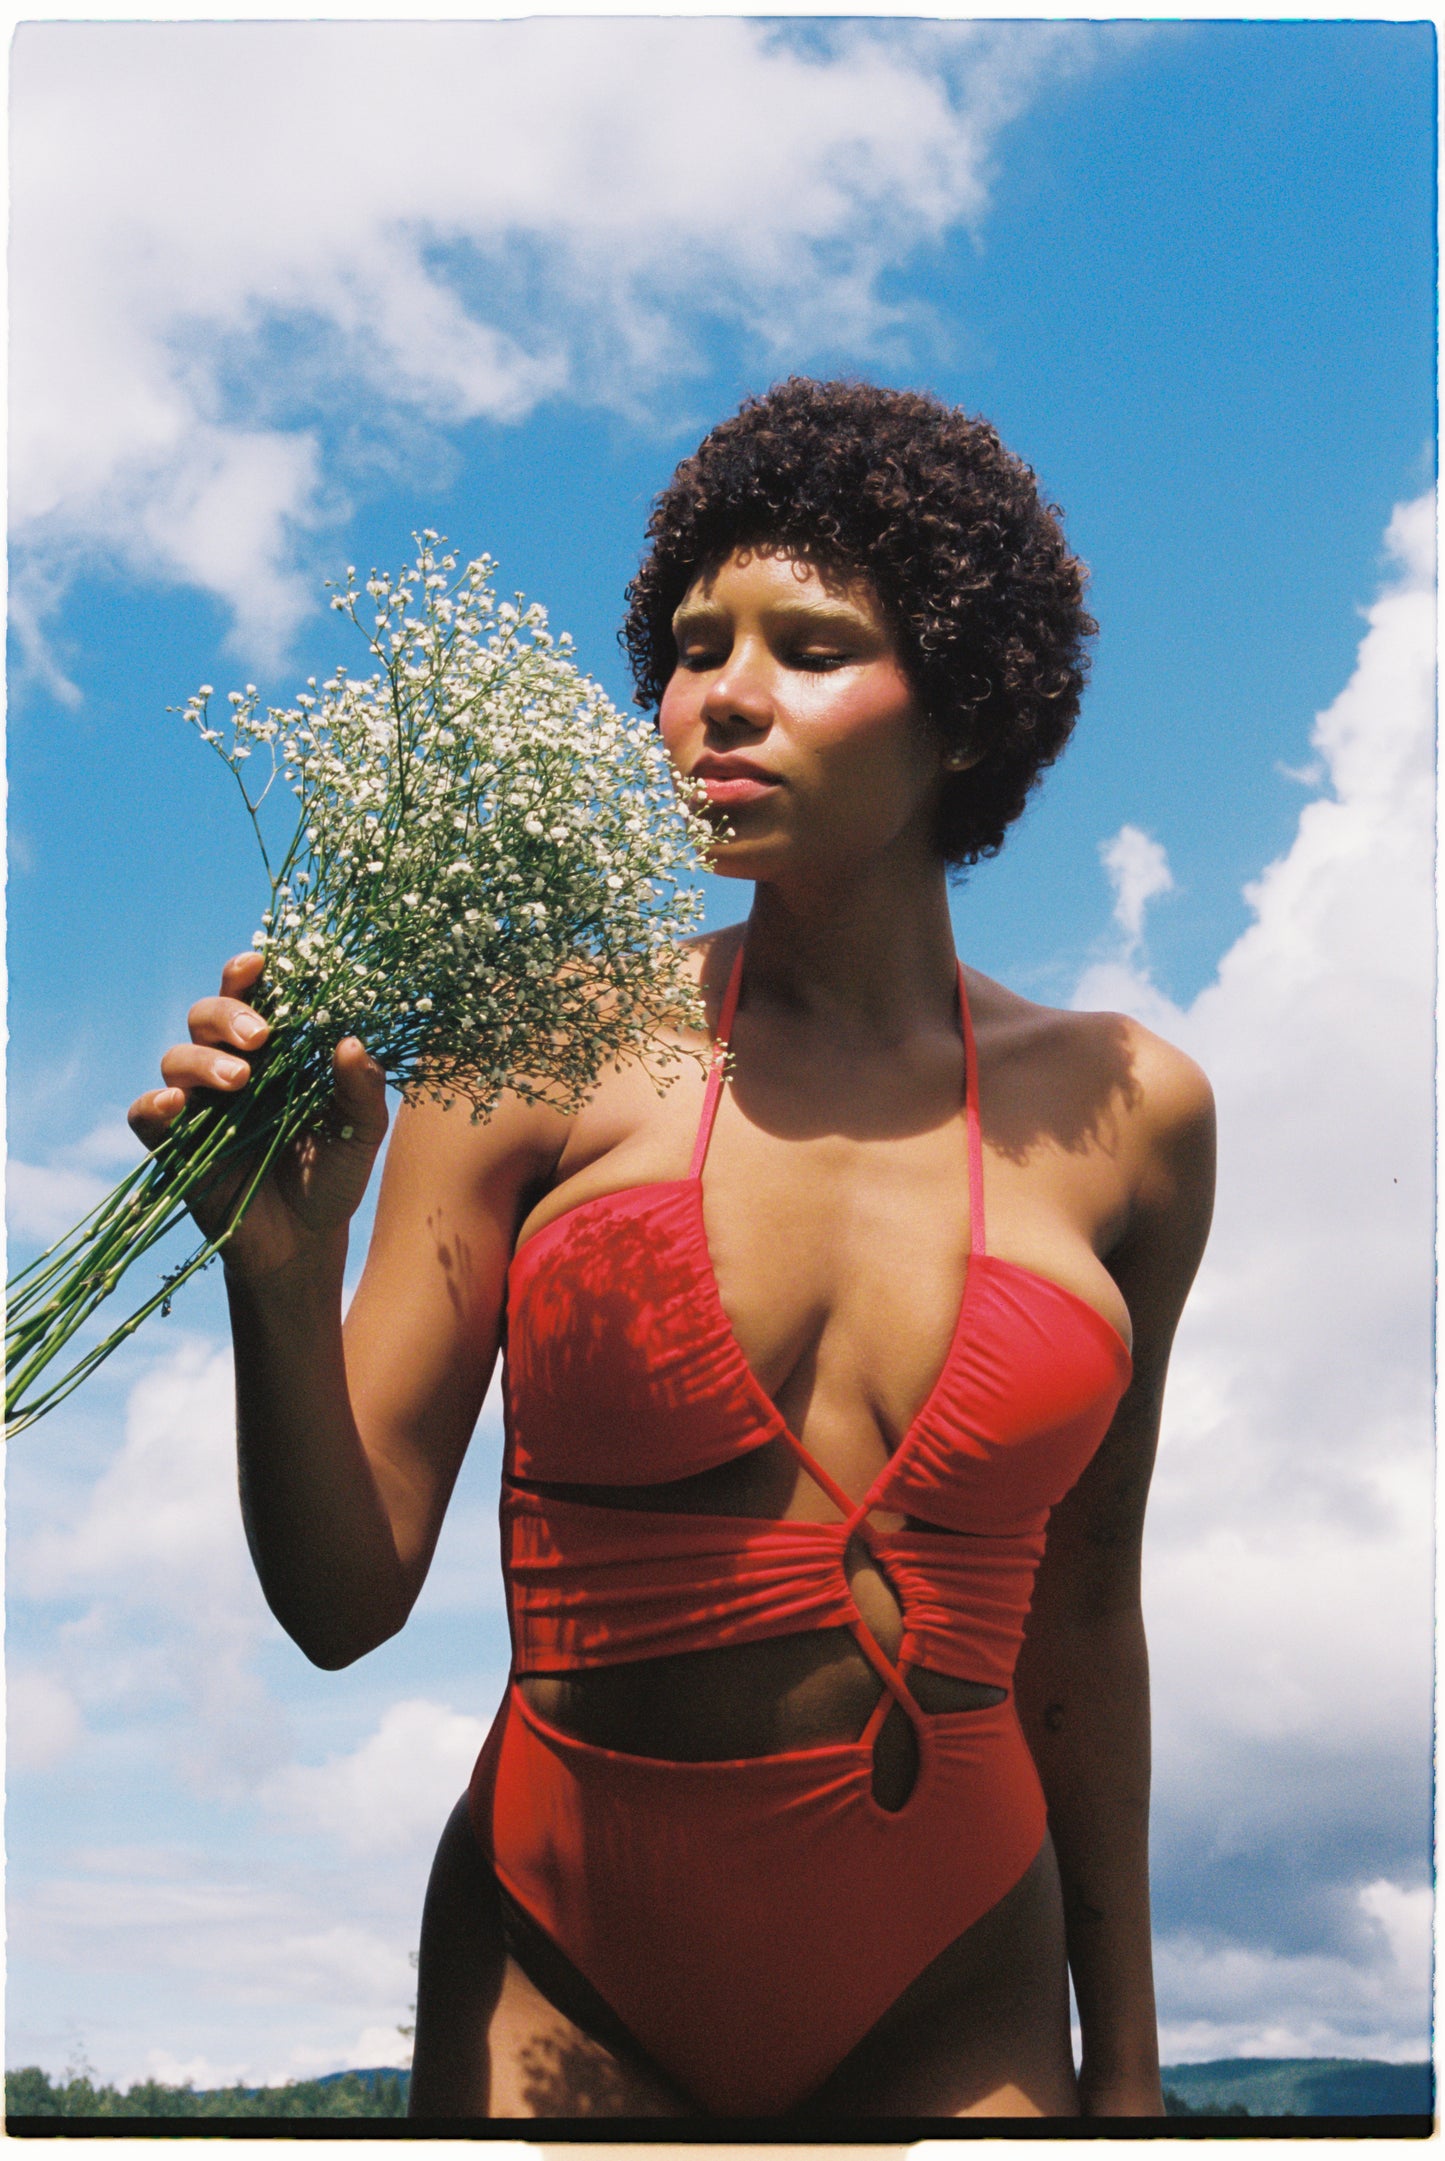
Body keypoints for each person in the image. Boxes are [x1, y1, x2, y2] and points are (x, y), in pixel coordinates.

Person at [129, 379, 1214, 2120]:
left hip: (960, 1976)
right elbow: (342, 1602)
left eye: (808, 643)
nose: (723, 696)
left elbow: (1085, 1611)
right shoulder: (527, 1054)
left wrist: (1134, 2072)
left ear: (965, 705)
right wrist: (278, 1270)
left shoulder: (1132, 1113)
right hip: (561, 1976)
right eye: (693, 644)